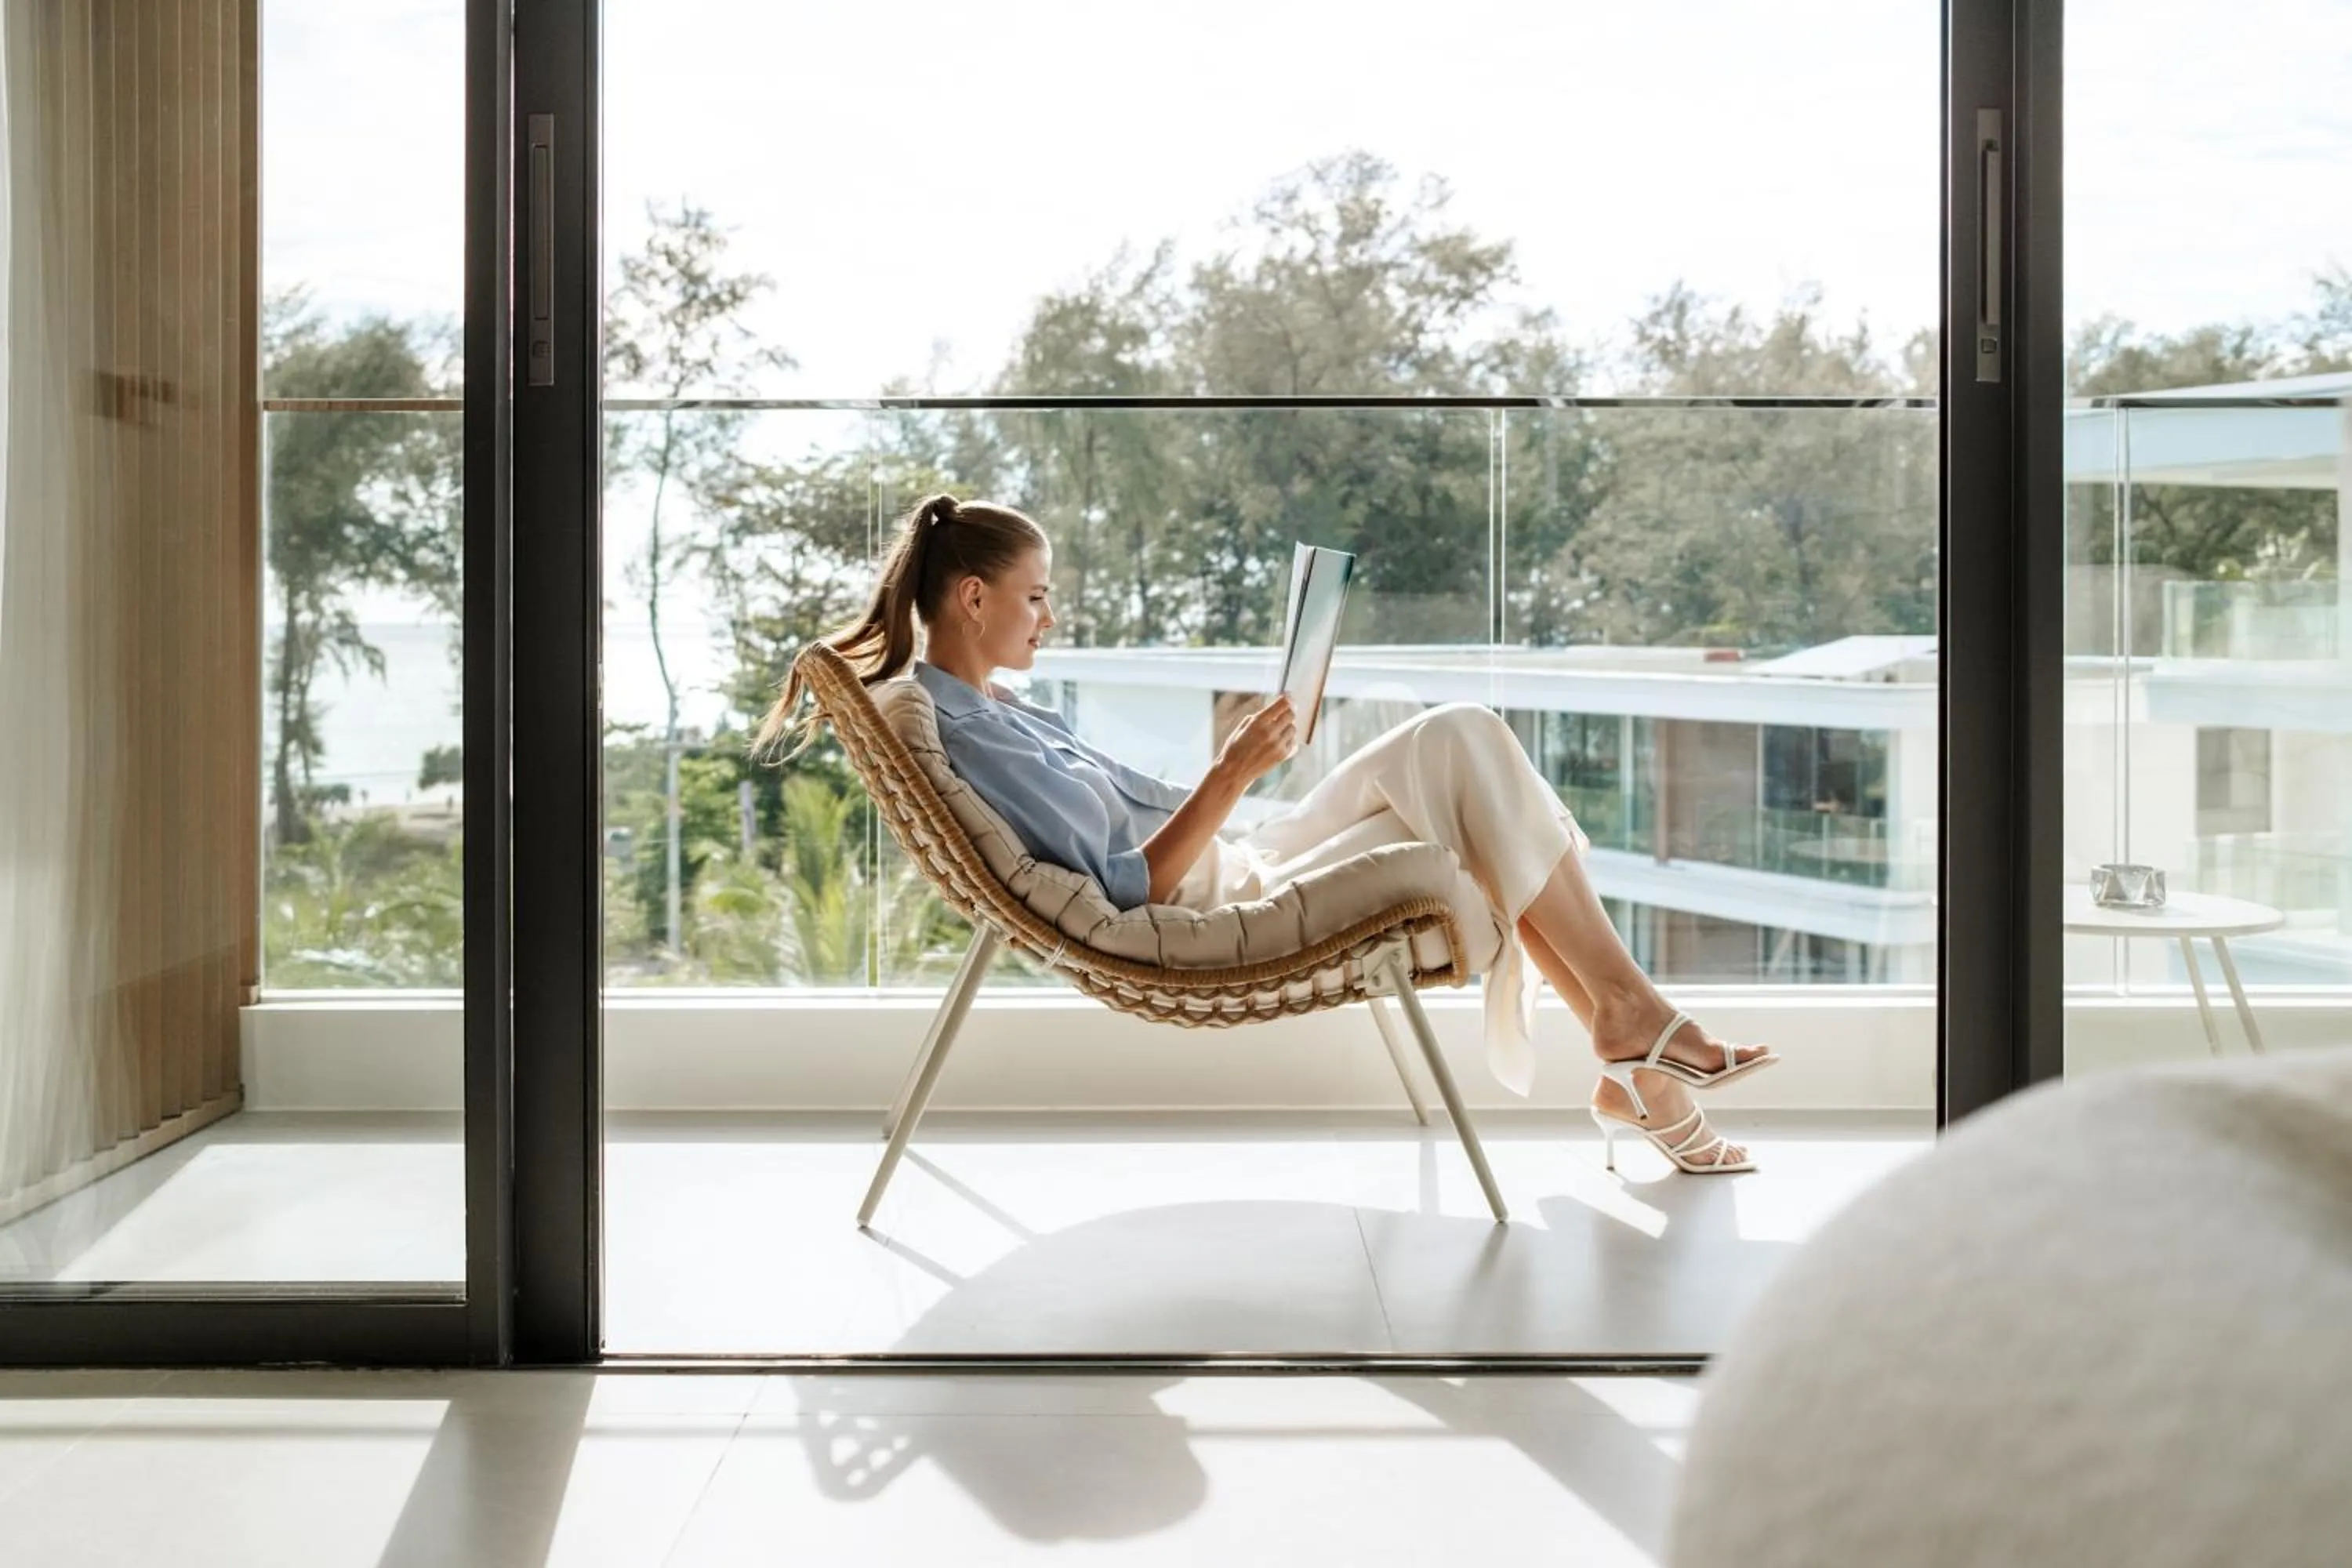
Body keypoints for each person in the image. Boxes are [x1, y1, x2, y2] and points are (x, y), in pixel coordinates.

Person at [754, 495, 1777, 1173]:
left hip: (1244, 855)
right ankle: (1632, 1035)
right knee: (1467, 779)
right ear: (973, 599)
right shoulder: (975, 730)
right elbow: (1134, 892)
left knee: (1462, 739)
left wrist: (1247, 772)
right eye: (1036, 598)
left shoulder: (988, 710)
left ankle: (1625, 1037)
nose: (1048, 621)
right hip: (1223, 893)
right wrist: (1234, 767)